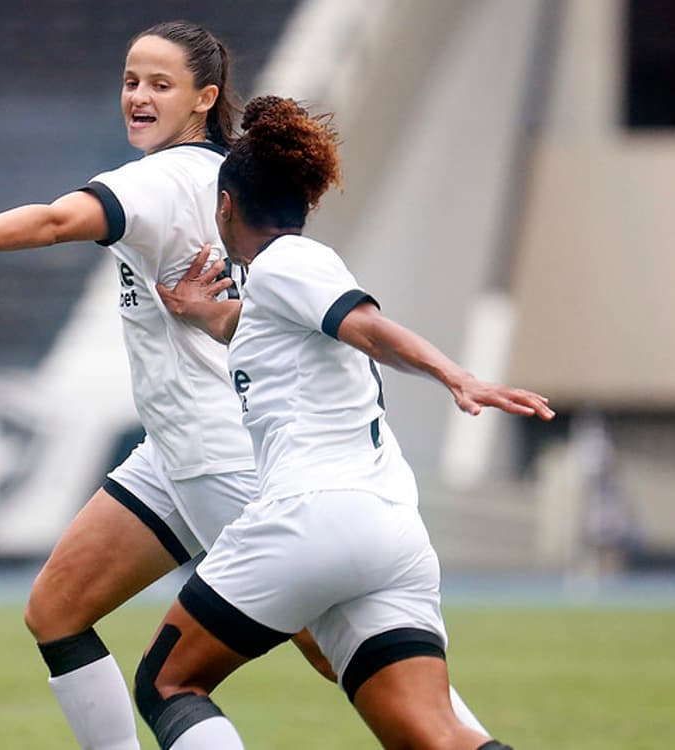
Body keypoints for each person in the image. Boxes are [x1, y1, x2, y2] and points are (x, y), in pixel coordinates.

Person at [0, 21, 367, 750]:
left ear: (205, 97)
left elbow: (53, 222)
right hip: (175, 454)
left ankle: (457, 734)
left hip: (224, 458)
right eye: (131, 81)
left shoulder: (155, 179)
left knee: (342, 653)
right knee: (57, 609)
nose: (137, 96)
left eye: (159, 84)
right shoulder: (235, 175)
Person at [135, 95, 555, 749]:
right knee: (436, 736)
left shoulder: (290, 262)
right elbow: (255, 328)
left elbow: (368, 327)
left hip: (312, 514)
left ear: (225, 207)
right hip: (389, 531)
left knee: (168, 681)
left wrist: (456, 374)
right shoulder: (275, 291)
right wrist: (199, 311)